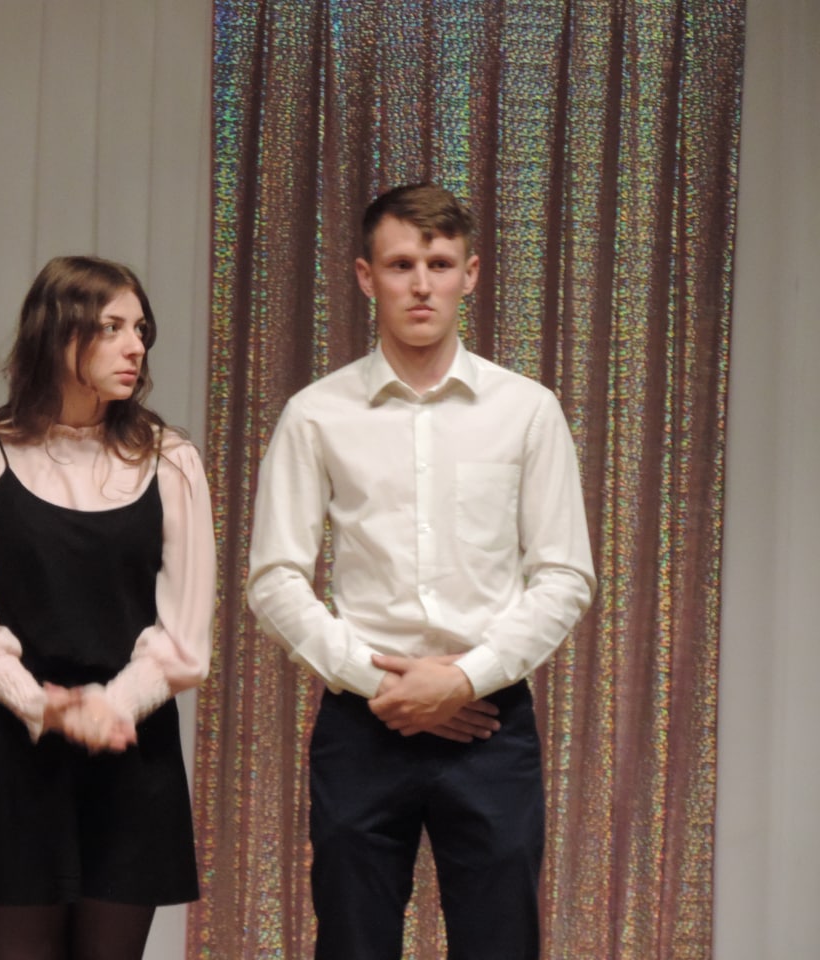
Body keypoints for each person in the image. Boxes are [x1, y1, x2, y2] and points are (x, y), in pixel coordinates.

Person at [246, 183, 596, 959]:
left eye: (439, 264)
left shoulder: (527, 410)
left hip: (490, 722)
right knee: (352, 944)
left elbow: (565, 574)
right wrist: (383, 684)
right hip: (362, 723)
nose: (421, 284)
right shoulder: (316, 413)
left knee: (500, 945)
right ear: (365, 277)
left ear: (471, 274)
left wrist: (464, 679)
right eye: (401, 264)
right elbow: (273, 578)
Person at [0, 255, 215, 960]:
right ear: (57, 334)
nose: (135, 346)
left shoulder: (171, 460)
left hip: (132, 751)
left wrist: (112, 708)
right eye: (112, 327)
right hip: (17, 755)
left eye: (140, 329)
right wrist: (42, 706)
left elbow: (185, 635)